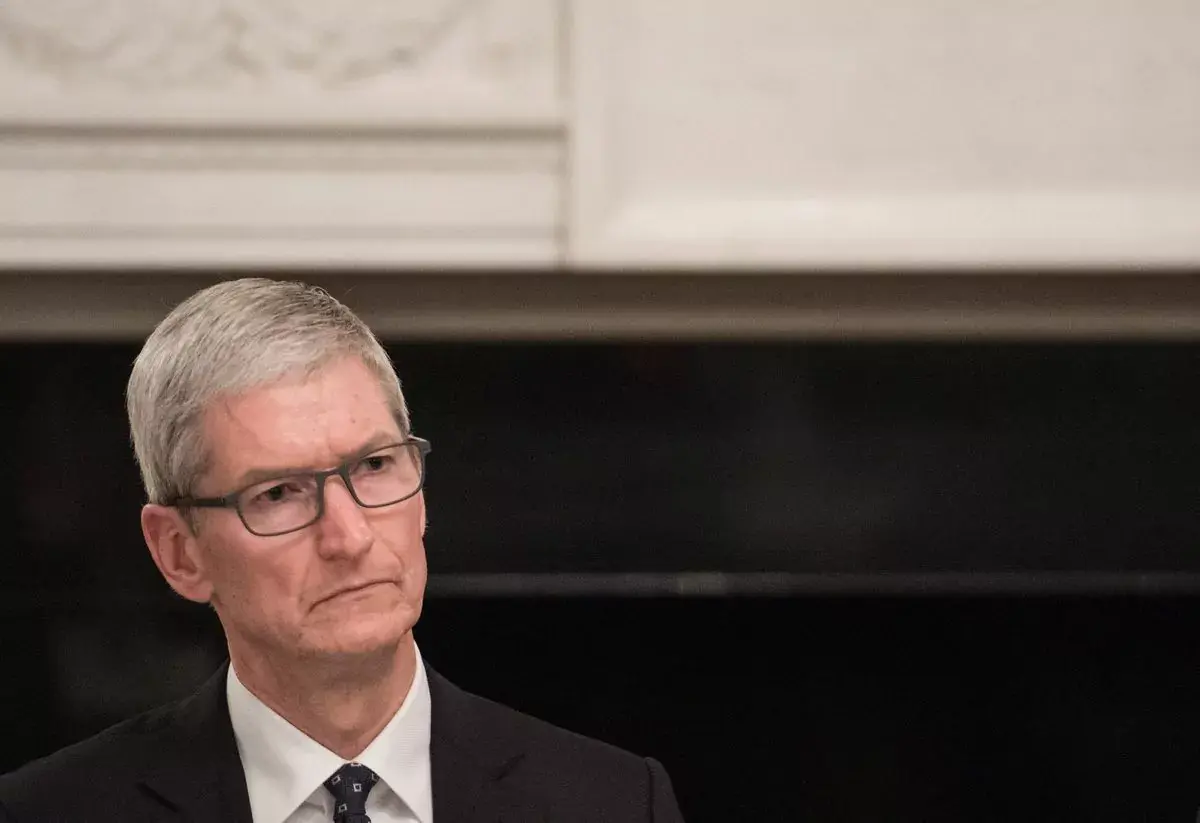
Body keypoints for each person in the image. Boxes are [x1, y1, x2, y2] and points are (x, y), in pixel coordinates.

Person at [0, 278, 685, 823]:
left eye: (375, 467)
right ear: (181, 552)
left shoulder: (615, 801)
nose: (350, 537)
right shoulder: (47, 810)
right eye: (277, 494)